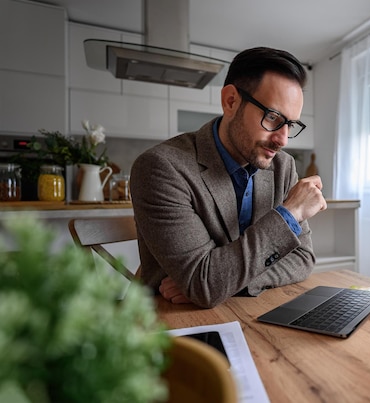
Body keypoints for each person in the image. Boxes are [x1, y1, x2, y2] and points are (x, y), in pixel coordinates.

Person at [131, 47, 327, 308]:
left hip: (251, 312)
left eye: (290, 124)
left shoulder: (283, 167)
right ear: (231, 101)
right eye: (272, 118)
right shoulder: (162, 168)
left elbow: (303, 259)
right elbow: (204, 284)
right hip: (176, 324)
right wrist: (288, 214)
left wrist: (222, 282)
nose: (282, 139)